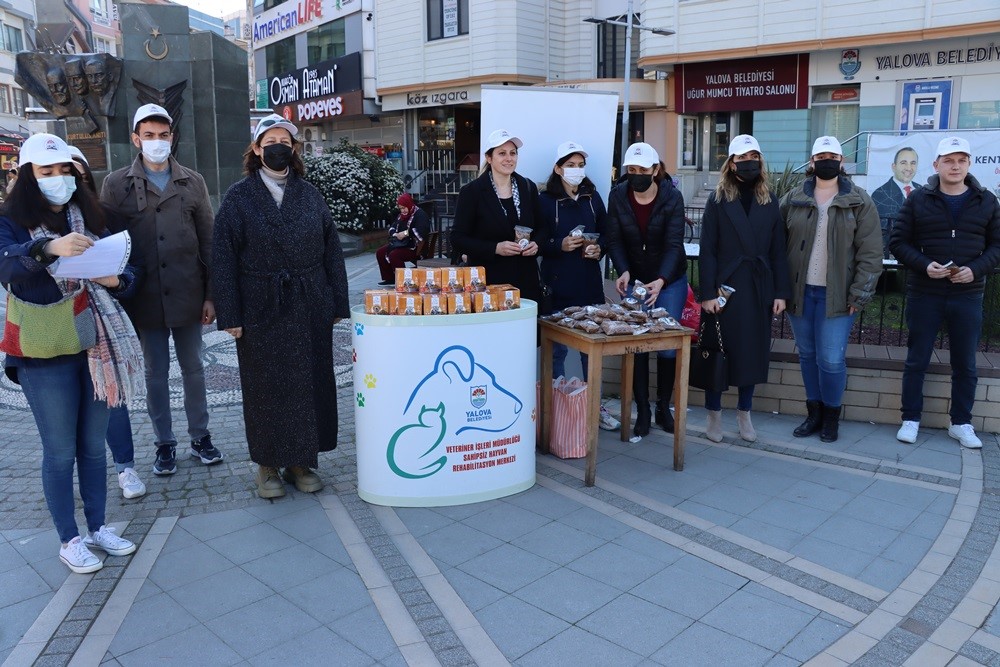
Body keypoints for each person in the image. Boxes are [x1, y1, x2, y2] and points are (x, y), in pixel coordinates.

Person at [0, 133, 139, 573]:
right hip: (45, 351)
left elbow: (128, 267)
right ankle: (69, 538)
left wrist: (117, 280)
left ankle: (98, 527)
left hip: (95, 342)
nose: (58, 179)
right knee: (59, 450)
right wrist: (46, 248)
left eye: (64, 170)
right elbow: (6, 264)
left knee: (93, 447)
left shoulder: (90, 214)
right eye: (46, 171)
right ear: (27, 176)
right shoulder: (10, 220)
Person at [212, 113, 350, 498]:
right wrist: (231, 313)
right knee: (266, 387)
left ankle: (301, 461)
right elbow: (223, 256)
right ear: (257, 149)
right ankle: (268, 466)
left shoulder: (309, 194)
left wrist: (337, 299)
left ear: (293, 149)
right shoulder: (239, 198)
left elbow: (332, 249)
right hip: (261, 307)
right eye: (270, 141)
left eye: (285, 142)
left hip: (309, 301)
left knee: (308, 383)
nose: (278, 147)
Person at [100, 103, 224, 476]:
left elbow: (209, 240)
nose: (157, 142)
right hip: (144, 297)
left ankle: (200, 437)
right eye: (149, 136)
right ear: (136, 139)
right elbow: (108, 241)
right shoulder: (115, 183)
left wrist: (211, 294)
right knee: (155, 373)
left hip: (188, 291)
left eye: (163, 135)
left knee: (194, 369)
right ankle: (164, 443)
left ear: (172, 137)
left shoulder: (193, 181)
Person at [890, 136, 1000, 449]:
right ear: (936, 165)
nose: (955, 166)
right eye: (948, 160)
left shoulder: (987, 201)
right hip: (925, 292)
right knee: (916, 360)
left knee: (965, 363)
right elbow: (898, 242)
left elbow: (997, 246)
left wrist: (976, 269)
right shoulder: (918, 199)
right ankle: (910, 419)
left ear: (968, 164)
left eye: (961, 160)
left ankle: (961, 423)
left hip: (968, 294)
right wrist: (924, 265)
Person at [780, 136, 882, 442]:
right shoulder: (793, 197)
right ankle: (813, 414)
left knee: (831, 359)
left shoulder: (859, 201)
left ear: (841, 161)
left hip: (837, 296)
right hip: (800, 292)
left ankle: (831, 416)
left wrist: (860, 293)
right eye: (820, 156)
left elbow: (871, 252)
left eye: (832, 156)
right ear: (812, 162)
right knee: (808, 356)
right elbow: (774, 242)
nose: (827, 161)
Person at [698, 135, 791, 443]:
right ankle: (714, 413)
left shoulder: (770, 200)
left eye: (754, 156)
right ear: (732, 162)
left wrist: (780, 292)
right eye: (743, 156)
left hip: (757, 286)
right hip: (725, 287)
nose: (749, 161)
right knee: (719, 349)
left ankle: (744, 413)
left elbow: (779, 250)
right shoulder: (717, 200)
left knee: (751, 351)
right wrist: (708, 294)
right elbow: (707, 249)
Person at [70, 145, 146, 499]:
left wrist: (116, 281)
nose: (70, 184)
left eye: (78, 176)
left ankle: (125, 468)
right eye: (53, 174)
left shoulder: (108, 218)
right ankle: (67, 473)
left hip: (103, 323)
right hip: (58, 326)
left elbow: (134, 270)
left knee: (111, 397)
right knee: (67, 406)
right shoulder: (29, 226)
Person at [605, 142, 688, 437]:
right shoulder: (618, 196)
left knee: (666, 347)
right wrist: (623, 269)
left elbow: (674, 244)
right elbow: (613, 239)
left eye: (642, 170)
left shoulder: (672, 197)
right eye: (632, 170)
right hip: (636, 281)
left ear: (655, 171)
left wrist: (662, 280)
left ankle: (664, 407)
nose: (636, 175)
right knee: (638, 346)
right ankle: (642, 409)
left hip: (669, 282)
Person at [538, 140, 619, 432]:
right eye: (570, 165)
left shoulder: (592, 197)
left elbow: (608, 234)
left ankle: (593, 407)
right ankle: (559, 410)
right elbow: (536, 243)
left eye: (580, 165)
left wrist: (600, 250)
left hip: (589, 288)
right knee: (557, 353)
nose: (576, 170)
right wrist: (558, 244)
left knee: (591, 353)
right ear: (558, 168)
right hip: (558, 287)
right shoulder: (546, 201)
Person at [450, 129, 542, 304]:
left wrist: (537, 245)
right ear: (489, 158)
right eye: (502, 153)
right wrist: (495, 248)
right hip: (488, 285)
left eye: (513, 153)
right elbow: (457, 238)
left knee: (526, 331)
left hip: (526, 284)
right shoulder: (472, 192)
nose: (509, 158)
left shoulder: (528, 187)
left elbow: (543, 227)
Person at [871, 147, 921, 258]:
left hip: (919, 257)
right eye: (903, 163)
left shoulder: (923, 191)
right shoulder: (879, 194)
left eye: (913, 163)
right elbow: (878, 231)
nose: (909, 168)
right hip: (892, 256)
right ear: (894, 167)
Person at [376, 193, 430, 285]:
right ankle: (390, 278)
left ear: (409, 204)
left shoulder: (420, 214)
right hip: (402, 244)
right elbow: (392, 228)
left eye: (404, 208)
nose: (403, 210)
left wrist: (405, 233)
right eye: (401, 208)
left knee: (395, 255)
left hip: (416, 247)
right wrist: (395, 234)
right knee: (380, 252)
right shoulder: (401, 216)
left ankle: (403, 281)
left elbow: (421, 232)